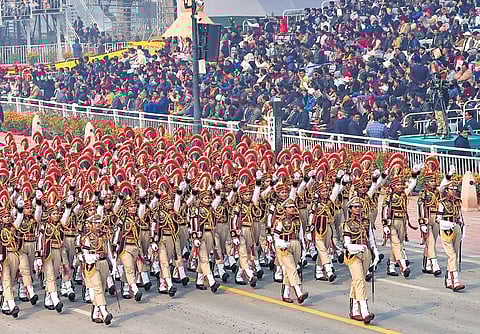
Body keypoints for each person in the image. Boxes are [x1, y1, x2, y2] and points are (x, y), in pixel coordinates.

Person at [343, 197, 378, 324]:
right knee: (359, 281)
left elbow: (371, 238)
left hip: (366, 253)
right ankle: (365, 311)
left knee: (357, 281)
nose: (358, 208)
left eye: (359, 206)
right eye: (355, 206)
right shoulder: (347, 224)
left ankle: (354, 310)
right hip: (353, 254)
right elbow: (346, 244)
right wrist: (357, 247)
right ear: (350, 209)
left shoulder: (366, 221)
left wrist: (375, 252)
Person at [437, 173, 466, 292]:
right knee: (452, 255)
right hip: (446, 229)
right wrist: (447, 225)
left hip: (456, 228)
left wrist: (463, 230)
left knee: (454, 255)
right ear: (447, 190)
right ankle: (455, 280)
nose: (453, 191)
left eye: (455, 189)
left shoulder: (457, 202)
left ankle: (449, 279)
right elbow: (438, 219)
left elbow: (460, 217)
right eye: (451, 189)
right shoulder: (442, 203)